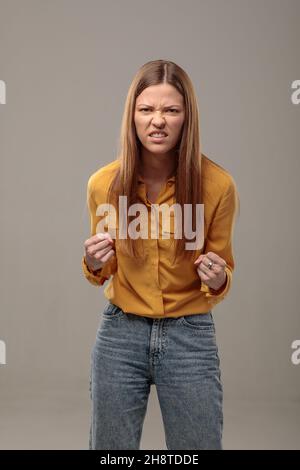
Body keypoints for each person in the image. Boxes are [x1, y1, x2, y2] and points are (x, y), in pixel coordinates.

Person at [82, 59, 239, 450]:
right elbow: (102, 270)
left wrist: (217, 276)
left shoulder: (217, 186)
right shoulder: (104, 184)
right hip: (121, 333)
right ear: (132, 117)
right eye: (146, 109)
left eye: (171, 110)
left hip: (190, 337)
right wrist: (95, 262)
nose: (158, 121)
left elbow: (223, 276)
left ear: (187, 118)